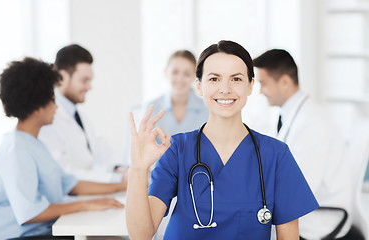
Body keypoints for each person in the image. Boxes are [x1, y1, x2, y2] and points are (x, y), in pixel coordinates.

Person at [126, 40, 319, 239]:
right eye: (214, 79)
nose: (225, 89)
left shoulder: (276, 155)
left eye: (236, 79)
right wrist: (138, 169)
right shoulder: (177, 150)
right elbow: (141, 235)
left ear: (250, 85)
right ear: (199, 86)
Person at [0, 58, 126, 240]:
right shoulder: (16, 150)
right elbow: (30, 213)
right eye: (52, 100)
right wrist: (86, 205)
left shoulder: (35, 144)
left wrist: (124, 185)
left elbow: (71, 185)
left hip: (42, 232)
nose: (56, 106)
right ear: (37, 107)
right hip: (19, 237)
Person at [254, 49, 358, 239]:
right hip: (309, 210)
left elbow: (302, 186)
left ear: (284, 81)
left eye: (263, 84)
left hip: (322, 219)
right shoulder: (295, 115)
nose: (260, 92)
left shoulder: (311, 122)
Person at [141, 50, 208, 240]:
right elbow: (143, 154)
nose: (180, 78)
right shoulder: (152, 108)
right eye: (175, 72)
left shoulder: (206, 108)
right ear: (166, 72)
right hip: (159, 185)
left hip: (196, 187)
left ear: (195, 77)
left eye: (187, 73)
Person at [39, 44, 126, 181]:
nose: (89, 87)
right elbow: (65, 173)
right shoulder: (47, 118)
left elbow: (101, 148)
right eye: (84, 80)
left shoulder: (79, 116)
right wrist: (117, 179)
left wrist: (120, 168)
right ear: (62, 77)